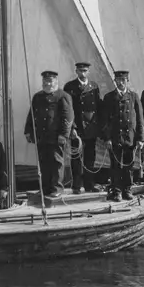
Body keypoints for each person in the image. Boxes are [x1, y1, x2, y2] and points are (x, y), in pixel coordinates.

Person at [23, 69, 74, 199]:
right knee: (43, 162)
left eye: (50, 81)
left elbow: (68, 117)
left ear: (56, 81)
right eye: (45, 81)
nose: (47, 83)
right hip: (41, 136)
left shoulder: (63, 96)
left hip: (56, 137)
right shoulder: (38, 97)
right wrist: (28, 131)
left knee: (56, 162)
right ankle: (45, 188)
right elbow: (32, 115)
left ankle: (57, 188)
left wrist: (64, 135)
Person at [98, 69, 144, 202]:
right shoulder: (109, 97)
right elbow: (105, 120)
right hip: (115, 138)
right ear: (115, 81)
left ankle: (127, 190)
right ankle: (117, 191)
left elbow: (140, 119)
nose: (121, 83)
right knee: (115, 166)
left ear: (127, 81)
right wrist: (107, 138)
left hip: (130, 137)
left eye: (123, 80)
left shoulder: (134, 96)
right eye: (118, 80)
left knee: (129, 165)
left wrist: (141, 138)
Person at [63, 61, 101, 193]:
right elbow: (68, 109)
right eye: (80, 71)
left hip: (91, 128)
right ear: (76, 72)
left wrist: (99, 128)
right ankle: (77, 186)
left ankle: (90, 185)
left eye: (85, 71)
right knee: (76, 159)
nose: (83, 73)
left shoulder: (94, 87)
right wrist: (72, 127)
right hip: (77, 129)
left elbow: (98, 107)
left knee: (90, 158)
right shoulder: (70, 87)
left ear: (88, 72)